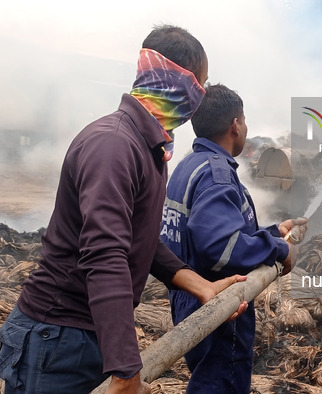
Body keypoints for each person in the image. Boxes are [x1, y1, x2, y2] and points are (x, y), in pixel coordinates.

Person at [0, 25, 248, 394]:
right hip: (58, 337)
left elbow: (139, 238)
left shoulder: (149, 147)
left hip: (89, 332)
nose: (200, 98)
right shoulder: (114, 145)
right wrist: (127, 369)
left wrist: (200, 285)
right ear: (177, 81)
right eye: (201, 84)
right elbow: (106, 253)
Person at [161, 83, 307, 393]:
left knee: (207, 375)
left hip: (190, 293)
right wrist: (279, 249)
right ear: (235, 125)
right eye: (245, 119)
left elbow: (214, 231)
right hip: (220, 303)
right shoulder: (217, 174)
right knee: (221, 381)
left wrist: (269, 233)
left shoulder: (188, 165)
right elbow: (220, 247)